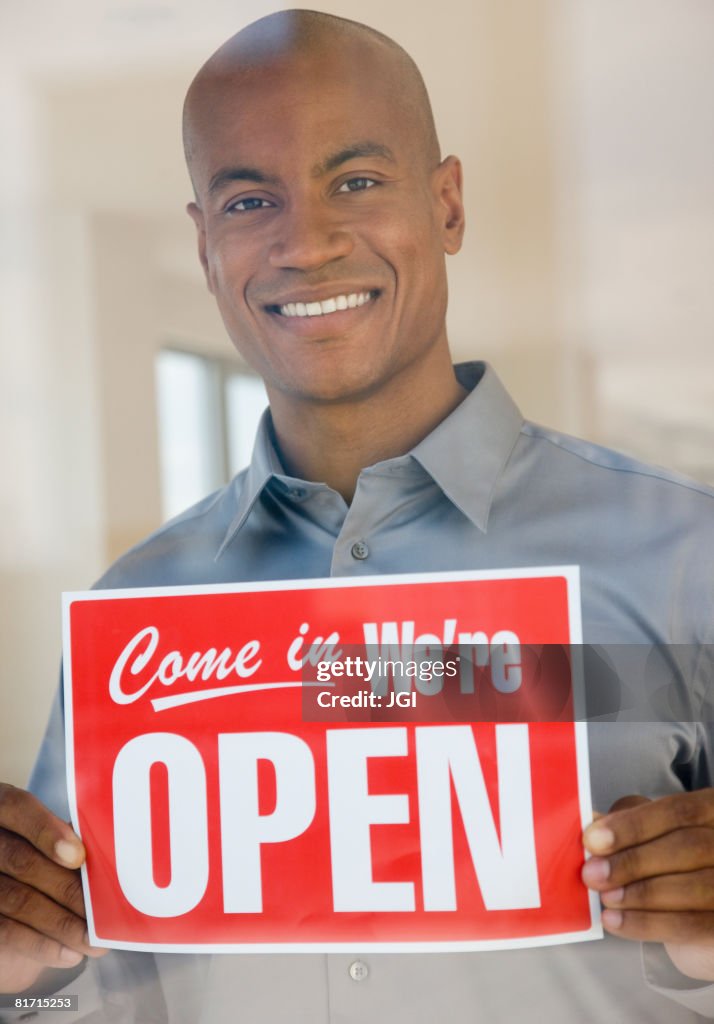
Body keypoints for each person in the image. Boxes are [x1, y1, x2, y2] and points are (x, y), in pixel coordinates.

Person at [1, 9, 714, 1022]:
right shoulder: (139, 617)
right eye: (251, 199)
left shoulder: (687, 557)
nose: (309, 241)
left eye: (358, 182)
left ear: (448, 203)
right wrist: (33, 977)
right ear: (206, 247)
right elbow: (95, 993)